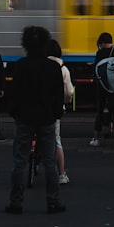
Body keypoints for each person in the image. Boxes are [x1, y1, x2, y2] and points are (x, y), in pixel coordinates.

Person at [4, 26, 66, 215]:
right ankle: (52, 202)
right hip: (47, 119)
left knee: (19, 162)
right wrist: (55, 114)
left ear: (26, 44)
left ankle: (16, 203)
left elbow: (13, 94)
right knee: (49, 162)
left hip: (24, 118)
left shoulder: (21, 65)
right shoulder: (54, 67)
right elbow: (59, 95)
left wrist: (14, 112)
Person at [46, 38, 74, 184]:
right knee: (56, 141)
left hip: (35, 109)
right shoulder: (63, 69)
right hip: (54, 110)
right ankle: (61, 174)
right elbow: (69, 93)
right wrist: (65, 102)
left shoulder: (40, 66)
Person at [89, 32, 114, 147]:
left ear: (103, 43)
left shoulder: (100, 53)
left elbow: (96, 69)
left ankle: (96, 138)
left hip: (104, 87)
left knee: (100, 110)